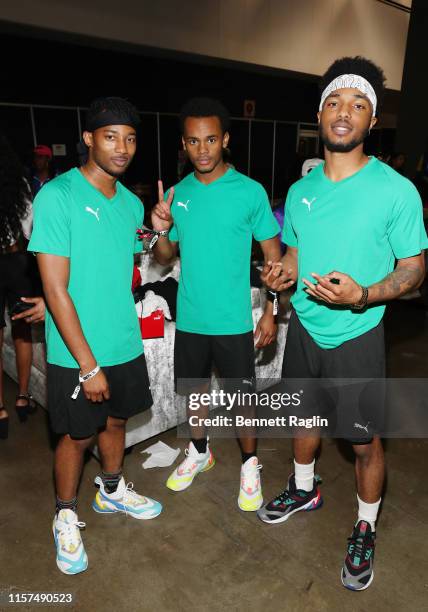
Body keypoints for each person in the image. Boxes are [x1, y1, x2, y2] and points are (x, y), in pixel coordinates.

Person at [259, 56, 427, 591]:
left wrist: (364, 294)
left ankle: (364, 525)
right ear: (320, 113)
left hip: (357, 335)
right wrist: (279, 280)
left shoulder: (396, 191)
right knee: (303, 419)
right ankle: (304, 488)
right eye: (334, 101)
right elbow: (293, 249)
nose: (343, 112)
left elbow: (414, 270)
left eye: (358, 104)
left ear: (371, 121)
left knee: (363, 442)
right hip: (304, 329)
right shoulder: (303, 189)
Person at [28, 96, 162, 576]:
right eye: (111, 136)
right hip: (78, 351)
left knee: (117, 423)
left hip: (124, 340)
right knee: (76, 434)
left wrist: (157, 231)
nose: (122, 147)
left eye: (129, 138)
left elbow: (139, 248)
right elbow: (55, 287)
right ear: (88, 138)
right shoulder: (57, 196)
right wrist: (88, 365)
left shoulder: (130, 202)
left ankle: (110, 490)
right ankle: (65, 513)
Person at [151, 97, 281, 511]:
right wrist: (161, 230)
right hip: (190, 318)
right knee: (194, 395)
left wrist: (271, 309)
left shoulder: (250, 192)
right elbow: (165, 258)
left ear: (225, 139)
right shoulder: (176, 193)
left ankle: (249, 463)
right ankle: (200, 451)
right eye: (193, 141)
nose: (202, 149)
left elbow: (273, 256)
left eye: (210, 139)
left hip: (234, 321)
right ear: (184, 145)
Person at [0, 133, 46, 440]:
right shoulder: (21, 186)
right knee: (22, 330)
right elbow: (31, 230)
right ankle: (23, 396)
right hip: (17, 262)